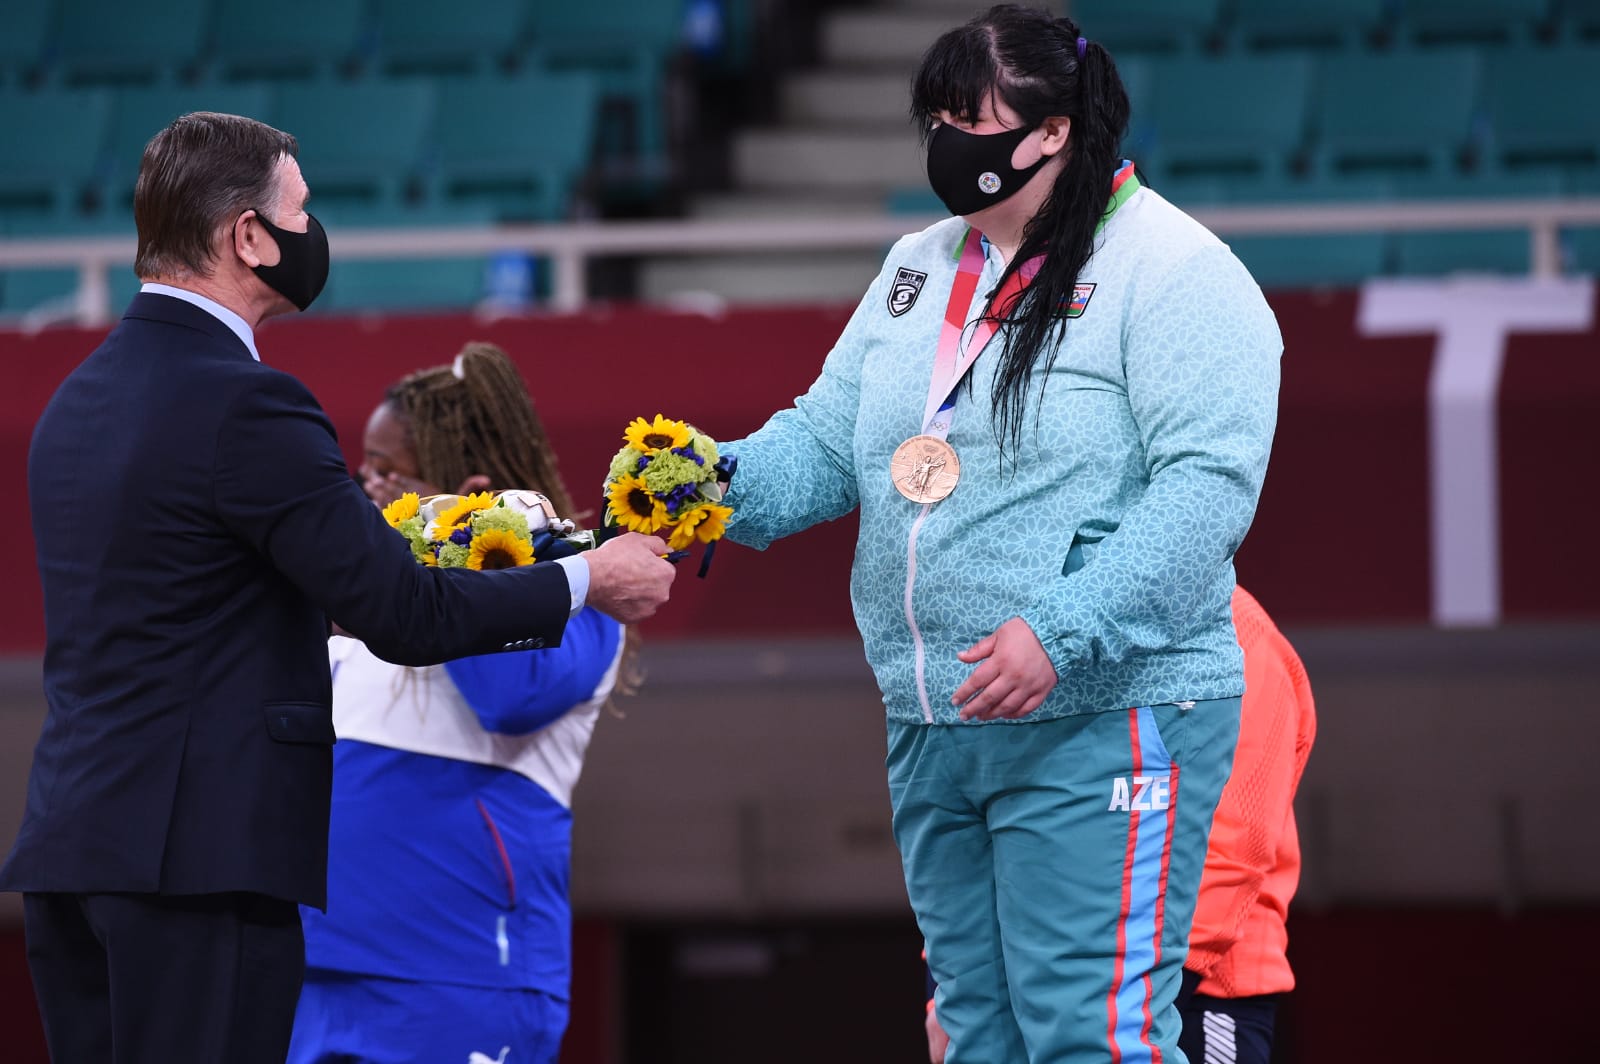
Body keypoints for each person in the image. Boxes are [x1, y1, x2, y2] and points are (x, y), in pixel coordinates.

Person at [0, 112, 675, 1064]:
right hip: (199, 866)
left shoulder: (74, 401)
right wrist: (584, 577)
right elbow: (400, 611)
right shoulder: (248, 402)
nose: (313, 234)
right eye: (300, 211)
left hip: (74, 851)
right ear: (246, 236)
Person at [719, 6, 1281, 1061]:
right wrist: (705, 482)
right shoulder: (918, 264)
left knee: (1089, 1034)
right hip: (933, 716)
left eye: (966, 116)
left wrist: (1060, 629)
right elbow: (828, 442)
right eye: (931, 116)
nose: (943, 139)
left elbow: (1205, 491)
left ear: (1054, 130)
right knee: (974, 1036)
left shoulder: (1175, 271)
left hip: (1101, 706)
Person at [287, 344, 624, 1064]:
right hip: (315, 969)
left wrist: (465, 541)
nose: (367, 488)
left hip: (463, 976)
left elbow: (513, 698)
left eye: (389, 472)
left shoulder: (585, 587)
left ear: (465, 489)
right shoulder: (356, 601)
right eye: (365, 469)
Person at [924, 586, 1318, 1064]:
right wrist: (952, 991)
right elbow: (977, 816)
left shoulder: (1233, 627)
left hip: (1191, 993)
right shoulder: (1029, 610)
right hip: (1044, 994)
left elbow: (1229, 850)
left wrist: (1139, 1005)